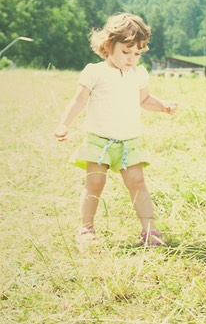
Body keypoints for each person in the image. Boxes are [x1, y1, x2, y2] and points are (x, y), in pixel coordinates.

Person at [55, 13, 177, 248]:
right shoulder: (95, 72)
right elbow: (79, 101)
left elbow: (145, 99)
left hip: (128, 142)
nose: (132, 58)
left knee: (138, 183)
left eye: (138, 53)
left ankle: (149, 231)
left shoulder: (138, 74)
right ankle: (86, 228)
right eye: (126, 51)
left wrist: (163, 106)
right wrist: (64, 124)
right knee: (94, 183)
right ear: (109, 45)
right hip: (99, 141)